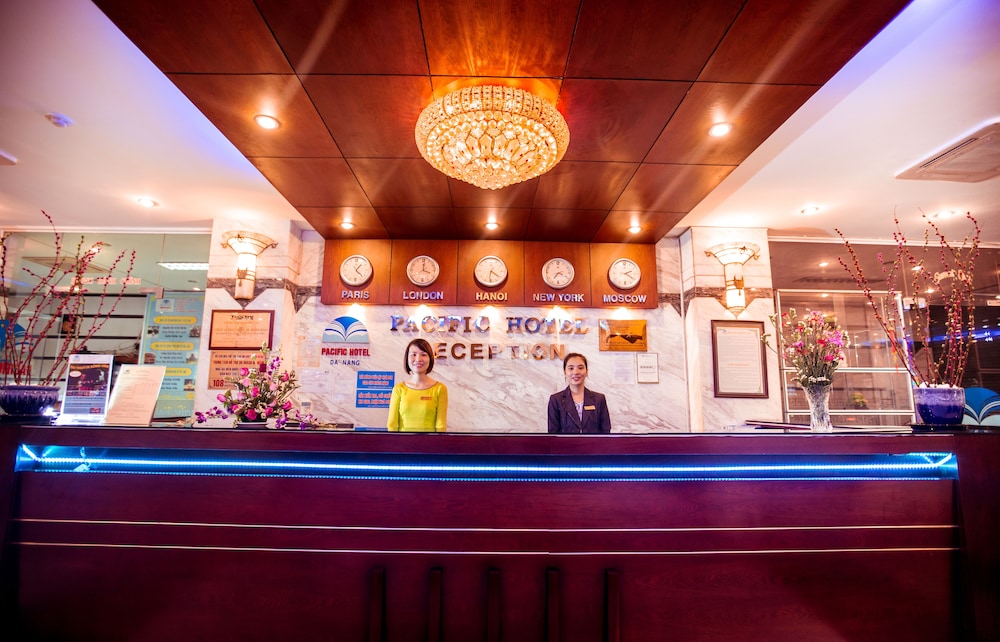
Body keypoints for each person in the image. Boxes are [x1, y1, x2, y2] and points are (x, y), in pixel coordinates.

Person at [387, 338, 448, 432]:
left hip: (430, 441)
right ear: (407, 358)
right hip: (402, 441)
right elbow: (392, 424)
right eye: (413, 354)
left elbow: (441, 426)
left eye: (423, 354)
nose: (418, 359)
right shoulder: (399, 389)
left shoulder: (440, 389)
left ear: (430, 358)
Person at [547, 352, 612, 434]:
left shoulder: (599, 399)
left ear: (587, 371)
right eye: (571, 368)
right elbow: (553, 434)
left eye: (580, 368)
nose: (576, 372)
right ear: (565, 372)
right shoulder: (556, 400)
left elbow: (606, 432)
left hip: (594, 443)